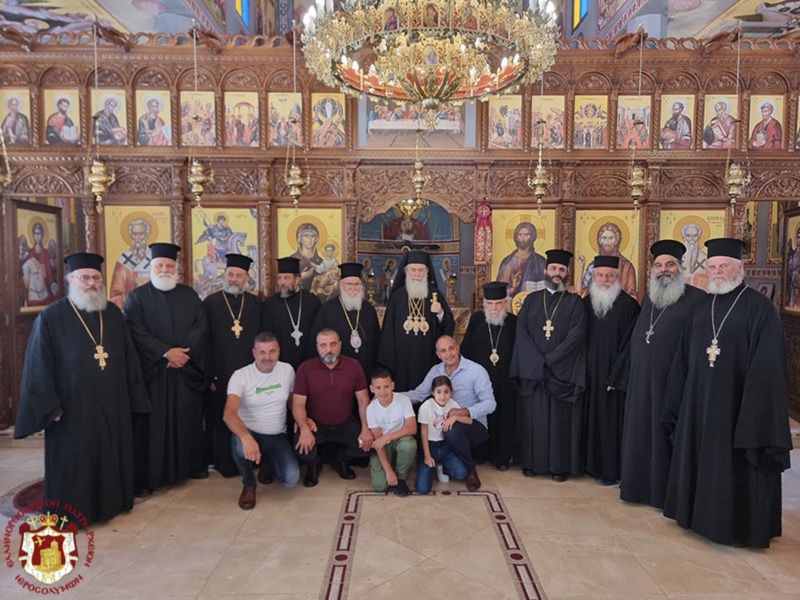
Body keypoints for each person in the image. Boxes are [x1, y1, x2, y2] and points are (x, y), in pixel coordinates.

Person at [662, 238, 792, 547]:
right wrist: (679, 400)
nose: (718, 272)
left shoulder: (759, 309)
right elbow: (684, 358)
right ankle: (698, 517)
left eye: (724, 266)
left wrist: (754, 413)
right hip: (700, 403)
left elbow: (769, 366)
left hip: (739, 407)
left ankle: (739, 527)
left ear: (740, 269)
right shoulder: (703, 307)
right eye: (713, 267)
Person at [15, 253, 149, 525]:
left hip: (112, 405)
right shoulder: (52, 317)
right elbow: (38, 364)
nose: (91, 283)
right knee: (75, 461)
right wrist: (49, 406)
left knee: (109, 455)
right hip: (72, 408)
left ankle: (110, 505)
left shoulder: (112, 314)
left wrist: (133, 398)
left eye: (96, 278)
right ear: (70, 280)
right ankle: (71, 513)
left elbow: (129, 358)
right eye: (84, 278)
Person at [619, 240, 706, 508]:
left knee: (664, 436)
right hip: (642, 383)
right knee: (640, 435)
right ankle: (637, 488)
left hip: (673, 384)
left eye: (670, 264)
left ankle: (663, 494)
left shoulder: (697, 300)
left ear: (681, 267)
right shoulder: (650, 299)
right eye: (658, 265)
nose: (663, 270)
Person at [125, 242, 209, 493]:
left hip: (184, 372)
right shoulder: (137, 297)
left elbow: (200, 328)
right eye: (160, 265)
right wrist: (165, 352)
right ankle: (154, 475)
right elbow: (134, 331)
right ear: (151, 267)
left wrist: (182, 355)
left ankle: (189, 467)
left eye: (169, 265)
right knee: (153, 427)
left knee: (187, 421)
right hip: (154, 374)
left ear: (176, 268)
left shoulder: (189, 295)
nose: (164, 269)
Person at [510, 249, 587, 482]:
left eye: (562, 270)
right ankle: (532, 463)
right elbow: (521, 332)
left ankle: (559, 467)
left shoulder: (575, 303)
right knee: (534, 421)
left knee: (560, 423)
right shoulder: (531, 300)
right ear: (546, 271)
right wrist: (537, 362)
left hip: (561, 373)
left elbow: (577, 336)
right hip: (535, 374)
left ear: (567, 274)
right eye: (553, 269)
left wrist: (550, 360)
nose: (557, 273)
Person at [406, 335, 496, 491]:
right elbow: (418, 394)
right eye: (443, 350)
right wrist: (390, 397)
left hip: (473, 425)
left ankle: (470, 470)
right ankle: (440, 462)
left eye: (451, 348)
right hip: (441, 425)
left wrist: (464, 412)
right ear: (438, 354)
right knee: (445, 431)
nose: (448, 353)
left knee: (452, 431)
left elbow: (490, 403)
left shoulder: (476, 371)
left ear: (458, 348)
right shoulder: (435, 371)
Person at [223, 332, 299, 510]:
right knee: (239, 445)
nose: (267, 357)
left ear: (279, 351)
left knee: (291, 479)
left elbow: (291, 400)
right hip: (249, 432)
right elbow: (229, 413)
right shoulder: (240, 376)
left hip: (276, 434)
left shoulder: (287, 370)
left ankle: (266, 463)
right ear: (254, 353)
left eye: (272, 352)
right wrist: (246, 438)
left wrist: (301, 420)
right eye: (262, 352)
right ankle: (249, 484)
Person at [582, 256, 640, 486]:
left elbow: (630, 345)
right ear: (593, 278)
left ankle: (610, 471)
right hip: (588, 374)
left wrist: (617, 376)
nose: (604, 280)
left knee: (610, 424)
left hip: (613, 378)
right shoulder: (585, 304)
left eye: (609, 276)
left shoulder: (629, 306)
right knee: (590, 420)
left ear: (617, 278)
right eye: (600, 275)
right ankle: (589, 464)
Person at [203, 253, 262, 478]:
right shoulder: (210, 303)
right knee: (221, 418)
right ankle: (223, 462)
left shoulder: (255, 303)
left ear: (246, 278)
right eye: (231, 274)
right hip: (220, 373)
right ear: (225, 276)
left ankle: (250, 459)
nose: (234, 279)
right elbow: (203, 341)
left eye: (239, 275)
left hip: (249, 375)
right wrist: (210, 375)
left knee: (249, 416)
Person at [292, 329, 372, 487]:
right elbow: (298, 404)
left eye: (333, 344)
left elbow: (363, 400)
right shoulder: (305, 368)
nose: (329, 349)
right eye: (323, 345)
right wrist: (304, 429)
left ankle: (341, 458)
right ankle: (314, 464)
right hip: (316, 424)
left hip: (345, 423)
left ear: (340, 345)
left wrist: (365, 428)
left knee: (369, 446)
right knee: (300, 447)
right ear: (317, 347)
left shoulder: (353, 365)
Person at [378, 250, 455, 392]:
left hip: (428, 360)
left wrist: (440, 313)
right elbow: (388, 331)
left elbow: (449, 325)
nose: (417, 274)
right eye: (413, 270)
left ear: (426, 272)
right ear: (406, 272)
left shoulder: (434, 294)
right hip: (401, 362)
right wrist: (389, 363)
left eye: (421, 270)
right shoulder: (397, 296)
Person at [461, 281, 518, 471]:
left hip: (505, 379)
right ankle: (481, 453)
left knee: (504, 416)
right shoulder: (477, 320)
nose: (494, 308)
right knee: (481, 415)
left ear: (505, 303)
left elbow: (520, 352)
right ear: (485, 304)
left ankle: (501, 457)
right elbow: (466, 350)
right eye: (490, 304)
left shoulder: (512, 322)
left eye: (499, 303)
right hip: (480, 380)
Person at [310, 262, 381, 379]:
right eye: (349, 284)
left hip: (366, 371)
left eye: (357, 284)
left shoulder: (369, 309)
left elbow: (377, 341)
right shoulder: (327, 309)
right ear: (341, 285)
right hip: (338, 372)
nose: (353, 288)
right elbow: (316, 343)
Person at [415, 375, 473, 494]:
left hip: (446, 447)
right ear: (432, 392)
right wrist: (427, 456)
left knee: (461, 473)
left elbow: (469, 421)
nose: (442, 396)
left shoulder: (453, 404)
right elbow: (423, 432)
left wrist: (455, 417)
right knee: (423, 489)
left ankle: (441, 466)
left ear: (451, 392)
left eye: (446, 392)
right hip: (430, 446)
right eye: (439, 392)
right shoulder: (426, 407)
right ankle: (429, 465)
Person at [261, 257, 321, 371]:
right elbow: (267, 334)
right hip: (280, 365)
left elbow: (318, 334)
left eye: (287, 278)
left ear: (298, 279)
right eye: (280, 278)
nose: (282, 282)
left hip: (309, 362)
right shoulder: (270, 304)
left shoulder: (312, 302)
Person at [366, 368, 417, 496]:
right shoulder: (371, 409)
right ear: (372, 389)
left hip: (400, 439)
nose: (383, 391)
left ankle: (401, 477)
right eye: (378, 388)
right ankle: (389, 466)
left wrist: (387, 436)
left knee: (409, 445)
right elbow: (378, 443)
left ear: (392, 385)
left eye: (386, 386)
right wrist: (388, 471)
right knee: (380, 486)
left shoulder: (403, 400)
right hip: (382, 446)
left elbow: (412, 428)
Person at [577, 222, 637, 299]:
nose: (607, 242)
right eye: (604, 238)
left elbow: (632, 294)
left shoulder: (626, 266)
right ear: (600, 241)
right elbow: (580, 292)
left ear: (617, 241)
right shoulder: (593, 266)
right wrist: (582, 267)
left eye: (611, 238)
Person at [110, 217, 152, 309]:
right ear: (130, 235)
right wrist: (136, 293)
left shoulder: (155, 261)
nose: (137, 238)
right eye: (134, 234)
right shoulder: (123, 262)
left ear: (147, 235)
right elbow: (114, 299)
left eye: (141, 234)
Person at [496, 222, 547, 296]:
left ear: (532, 237)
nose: (523, 238)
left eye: (527, 235)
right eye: (520, 235)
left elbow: (545, 285)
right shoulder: (507, 262)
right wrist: (513, 288)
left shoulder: (540, 261)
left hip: (533, 301)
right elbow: (500, 289)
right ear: (516, 237)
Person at [22, 222, 56, 307]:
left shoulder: (46, 253)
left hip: (44, 290)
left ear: (43, 235)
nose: (37, 236)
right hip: (32, 290)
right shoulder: (30, 253)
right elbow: (25, 272)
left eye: (39, 234)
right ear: (33, 234)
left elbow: (49, 273)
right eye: (35, 233)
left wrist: (52, 285)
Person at [291, 223, 323, 292]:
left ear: (316, 239)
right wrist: (301, 278)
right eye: (306, 236)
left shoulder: (320, 262)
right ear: (300, 239)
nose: (310, 239)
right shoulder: (292, 260)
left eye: (312, 236)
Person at [680, 222, 708, 288]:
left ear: (699, 237)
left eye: (695, 236)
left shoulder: (706, 258)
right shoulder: (676, 259)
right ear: (684, 237)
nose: (692, 240)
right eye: (688, 236)